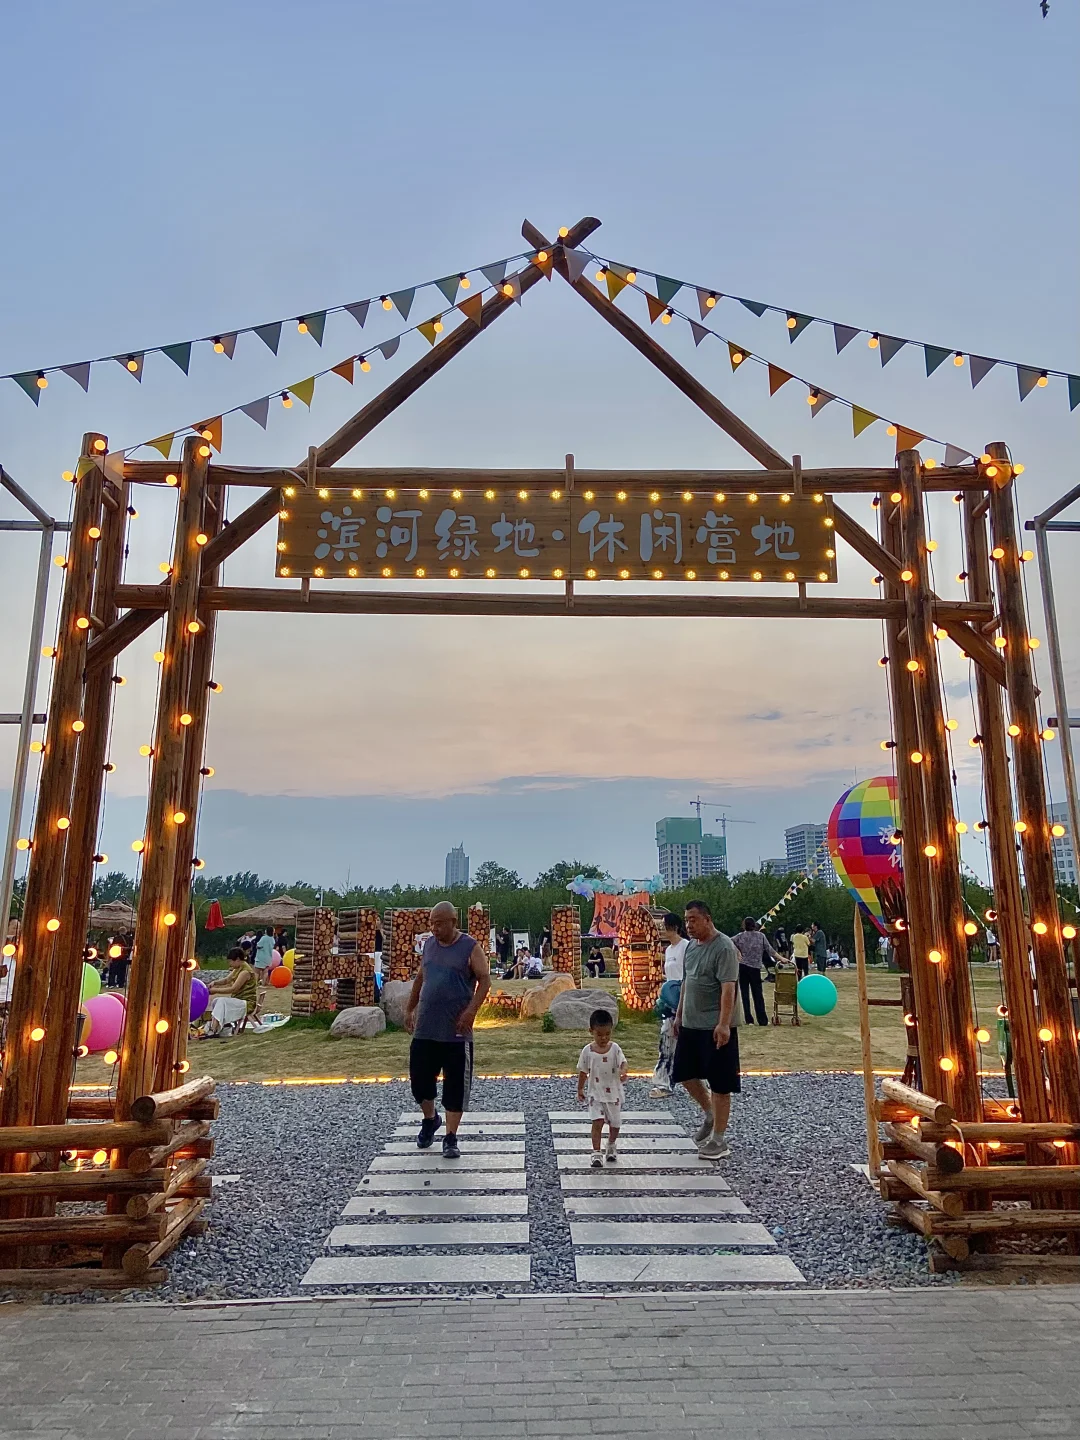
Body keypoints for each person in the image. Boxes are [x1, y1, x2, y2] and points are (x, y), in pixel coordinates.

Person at [404, 900, 491, 1160]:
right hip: (426, 1028)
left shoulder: (470, 947)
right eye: (432, 923)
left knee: (455, 1086)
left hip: (456, 1031)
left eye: (439, 923)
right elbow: (421, 977)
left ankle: (451, 1137)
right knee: (419, 1080)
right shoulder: (429, 945)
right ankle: (430, 1119)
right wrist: (410, 1008)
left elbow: (485, 980)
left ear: (453, 922)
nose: (434, 928)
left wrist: (472, 1011)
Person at [671, 899, 740, 1161]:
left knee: (721, 1082)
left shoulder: (723, 947)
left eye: (693, 920)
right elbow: (686, 981)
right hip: (690, 1023)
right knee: (685, 1074)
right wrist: (678, 1015)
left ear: (707, 919)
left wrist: (723, 1023)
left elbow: (728, 988)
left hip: (715, 1025)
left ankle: (719, 1140)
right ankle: (709, 1111)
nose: (688, 925)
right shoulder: (691, 948)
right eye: (686, 920)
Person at [577, 1009, 628, 1167]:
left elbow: (623, 1062)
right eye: (599, 1034)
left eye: (607, 1034)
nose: (604, 1038)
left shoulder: (615, 1049)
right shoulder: (587, 1051)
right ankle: (596, 1152)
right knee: (597, 1122)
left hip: (614, 1094)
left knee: (615, 1124)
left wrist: (623, 1072)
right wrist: (580, 1089)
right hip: (596, 1093)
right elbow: (583, 1071)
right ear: (591, 1031)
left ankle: (611, 1145)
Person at [650, 913, 688, 1097]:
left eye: (663, 926)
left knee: (684, 1042)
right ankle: (664, 1082)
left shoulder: (685, 947)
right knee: (667, 1041)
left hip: (684, 999)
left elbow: (687, 976)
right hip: (670, 999)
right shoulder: (668, 950)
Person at [732, 917, 781, 1026]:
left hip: (743, 967)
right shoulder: (760, 936)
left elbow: (728, 942)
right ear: (754, 925)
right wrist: (782, 959)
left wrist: (737, 952)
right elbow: (770, 950)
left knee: (745, 994)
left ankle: (749, 1019)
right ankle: (762, 1020)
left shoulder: (740, 936)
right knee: (758, 994)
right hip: (755, 968)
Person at [200, 947, 258, 1036]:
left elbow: (233, 989)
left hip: (246, 1003)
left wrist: (215, 991)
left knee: (221, 1001)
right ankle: (218, 1026)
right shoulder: (238, 968)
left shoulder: (245, 972)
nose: (230, 964)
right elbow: (227, 980)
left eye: (231, 961)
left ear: (238, 959)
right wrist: (215, 982)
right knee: (216, 1001)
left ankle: (213, 1029)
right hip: (239, 1000)